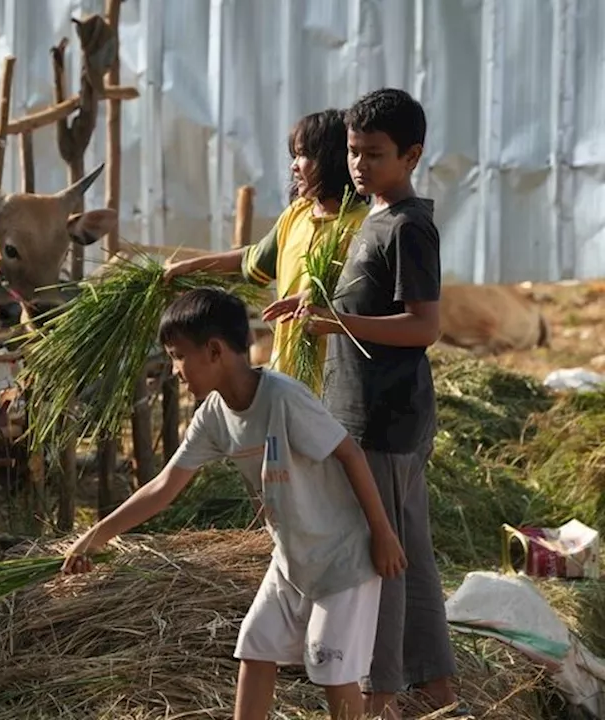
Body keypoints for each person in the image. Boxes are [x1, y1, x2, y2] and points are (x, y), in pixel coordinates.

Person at [61, 287, 407, 720]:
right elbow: (166, 486)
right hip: (292, 560)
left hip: (343, 557)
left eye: (178, 356)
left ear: (214, 351)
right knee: (256, 647)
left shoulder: (283, 398)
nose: (175, 370)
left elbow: (350, 455)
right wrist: (97, 535)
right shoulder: (213, 416)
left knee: (332, 668)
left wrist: (383, 533)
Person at [265, 87, 461, 719]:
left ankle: (379, 693)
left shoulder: (408, 226)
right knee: (410, 552)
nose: (358, 165)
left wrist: (339, 326)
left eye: (374, 155)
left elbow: (423, 326)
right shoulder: (374, 215)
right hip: (372, 412)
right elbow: (364, 307)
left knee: (381, 557)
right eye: (353, 152)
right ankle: (436, 688)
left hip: (385, 418)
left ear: (411, 155)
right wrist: (316, 311)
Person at [164, 109, 368, 393]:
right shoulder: (296, 215)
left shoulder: (361, 224)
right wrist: (188, 268)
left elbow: (363, 296)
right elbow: (251, 259)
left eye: (305, 156)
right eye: (293, 156)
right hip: (287, 376)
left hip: (335, 383)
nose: (294, 166)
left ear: (333, 159)